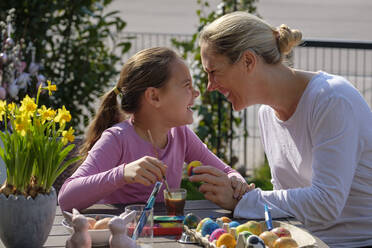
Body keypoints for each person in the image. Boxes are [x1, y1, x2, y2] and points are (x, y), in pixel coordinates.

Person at [189, 11, 372, 248]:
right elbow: (286, 201)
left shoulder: (331, 98)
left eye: (213, 72)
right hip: (304, 241)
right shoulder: (267, 113)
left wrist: (244, 200)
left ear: (248, 61)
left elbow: (326, 204)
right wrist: (243, 195)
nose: (210, 86)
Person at [58, 47, 249, 212]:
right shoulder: (117, 139)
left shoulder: (181, 135)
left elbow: (227, 171)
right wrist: (122, 174)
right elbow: (66, 197)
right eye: (186, 85)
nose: (197, 92)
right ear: (154, 97)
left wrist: (236, 181)